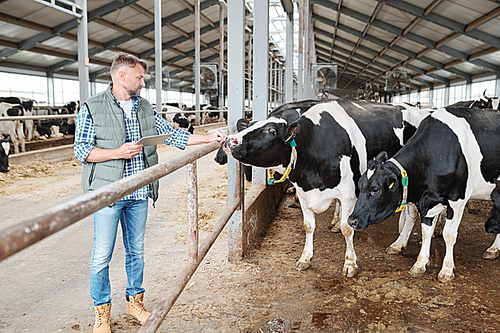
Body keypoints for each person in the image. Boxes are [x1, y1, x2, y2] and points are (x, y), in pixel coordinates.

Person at [74, 53, 226, 333]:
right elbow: (82, 151)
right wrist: (117, 153)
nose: (143, 83)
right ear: (122, 76)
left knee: (136, 251)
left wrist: (209, 138)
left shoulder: (144, 107)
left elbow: (172, 134)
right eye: (140, 77)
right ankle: (102, 315)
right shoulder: (92, 107)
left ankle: (135, 303)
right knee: (101, 255)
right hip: (108, 193)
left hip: (139, 193)